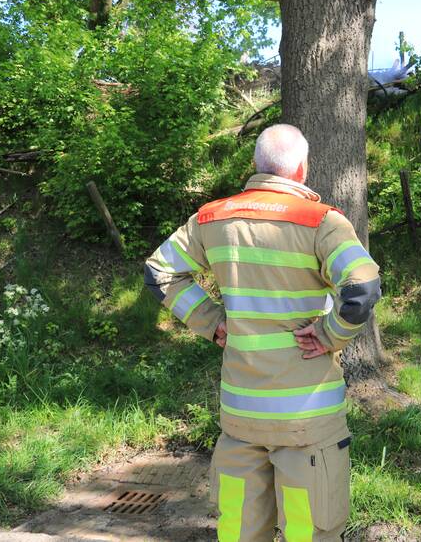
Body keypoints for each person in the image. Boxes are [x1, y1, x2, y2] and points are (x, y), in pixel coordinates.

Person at [145, 124, 381, 541]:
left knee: (238, 532)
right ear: (302, 169)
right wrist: (330, 335)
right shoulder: (322, 222)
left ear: (257, 165)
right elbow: (361, 288)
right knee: (308, 532)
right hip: (307, 419)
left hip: (241, 419)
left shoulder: (212, 218)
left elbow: (159, 271)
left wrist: (210, 320)